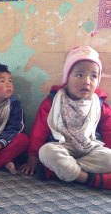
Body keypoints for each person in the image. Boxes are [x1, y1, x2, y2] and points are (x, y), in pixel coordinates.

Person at [20, 46, 111, 190]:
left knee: (109, 157)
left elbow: (108, 131)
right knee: (46, 152)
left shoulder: (99, 104)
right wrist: (32, 156)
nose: (87, 81)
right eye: (80, 75)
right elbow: (40, 130)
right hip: (62, 146)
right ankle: (86, 177)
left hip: (89, 148)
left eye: (93, 76)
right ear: (67, 78)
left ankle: (60, 171)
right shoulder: (53, 101)